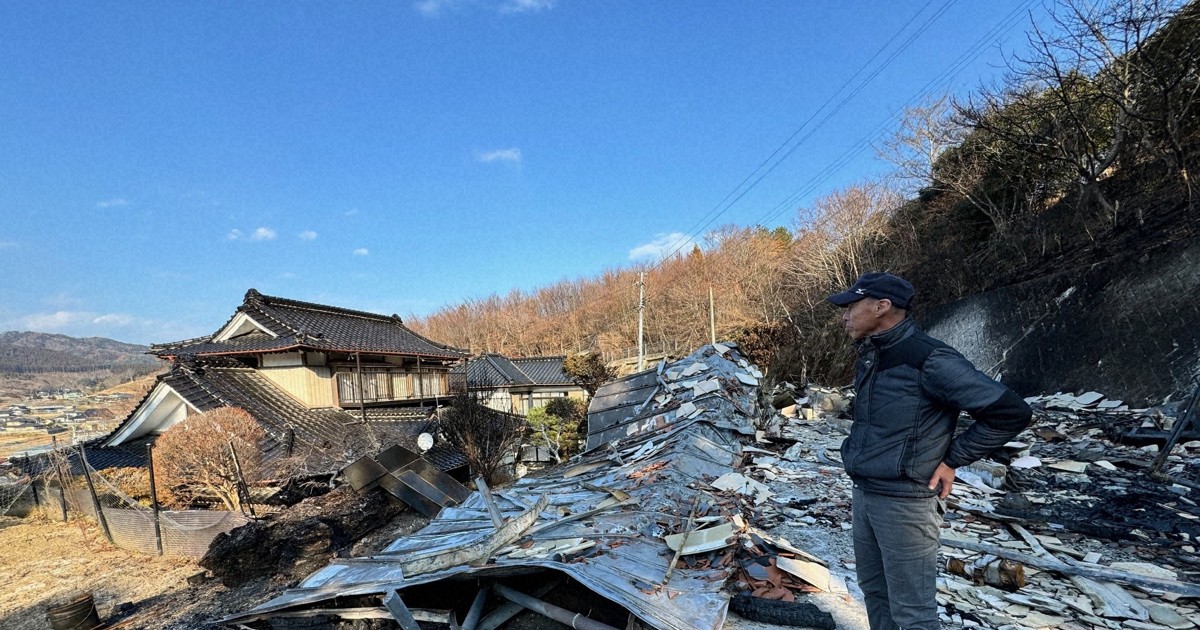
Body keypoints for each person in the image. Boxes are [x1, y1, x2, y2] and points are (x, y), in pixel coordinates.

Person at [827, 272, 1031, 630]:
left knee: (913, 613)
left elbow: (1010, 412)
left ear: (881, 307)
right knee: (874, 593)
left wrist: (953, 458)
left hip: (906, 503)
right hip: (866, 494)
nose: (843, 316)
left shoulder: (930, 359)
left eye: (851, 306)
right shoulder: (873, 356)